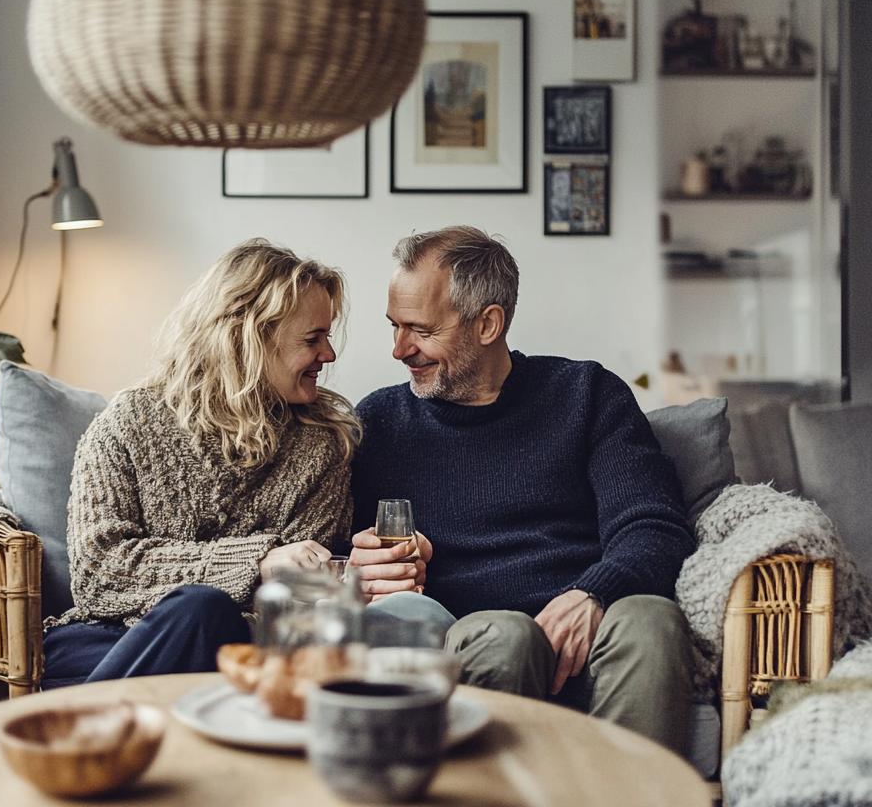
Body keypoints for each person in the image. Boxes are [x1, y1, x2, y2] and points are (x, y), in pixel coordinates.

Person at [349, 226, 696, 754]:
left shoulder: (587, 395)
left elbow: (655, 526)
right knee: (506, 636)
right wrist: (361, 568)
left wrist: (595, 593)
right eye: (394, 326)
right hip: (470, 637)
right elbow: (339, 558)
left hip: (586, 626)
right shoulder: (379, 421)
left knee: (652, 620)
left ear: (489, 323)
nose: (400, 349)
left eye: (420, 330)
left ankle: (626, 788)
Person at [42, 239, 361, 687]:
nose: (328, 354)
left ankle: (84, 726)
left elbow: (300, 607)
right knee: (201, 608)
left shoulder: (321, 445)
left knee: (207, 614)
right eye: (313, 339)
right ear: (247, 338)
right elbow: (99, 574)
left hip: (237, 646)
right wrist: (257, 561)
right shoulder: (129, 421)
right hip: (105, 643)